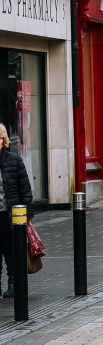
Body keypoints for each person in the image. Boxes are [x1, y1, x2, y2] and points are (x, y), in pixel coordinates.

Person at [0, 124, 32, 298]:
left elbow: (24, 188)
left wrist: (28, 213)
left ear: (3, 140)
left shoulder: (14, 160)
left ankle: (13, 282)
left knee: (10, 250)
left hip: (9, 214)